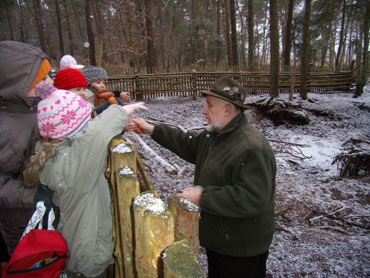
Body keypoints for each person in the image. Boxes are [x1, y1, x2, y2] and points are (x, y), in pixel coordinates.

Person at [133, 77, 276, 278]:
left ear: (227, 110)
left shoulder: (251, 147)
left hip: (241, 248)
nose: (204, 111)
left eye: (209, 106)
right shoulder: (215, 135)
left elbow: (252, 198)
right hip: (220, 239)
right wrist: (152, 129)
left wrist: (202, 197)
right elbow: (187, 143)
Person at [23, 88, 148, 278]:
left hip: (79, 245)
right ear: (72, 129)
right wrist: (122, 111)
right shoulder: (73, 164)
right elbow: (95, 135)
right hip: (87, 256)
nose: (91, 121)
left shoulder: (56, 154)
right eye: (87, 119)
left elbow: (90, 137)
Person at [0, 40, 54, 257]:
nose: (50, 82)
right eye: (42, 78)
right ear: (18, 83)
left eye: (50, 75)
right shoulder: (8, 127)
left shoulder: (34, 109)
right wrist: (33, 196)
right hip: (20, 220)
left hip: (40, 210)